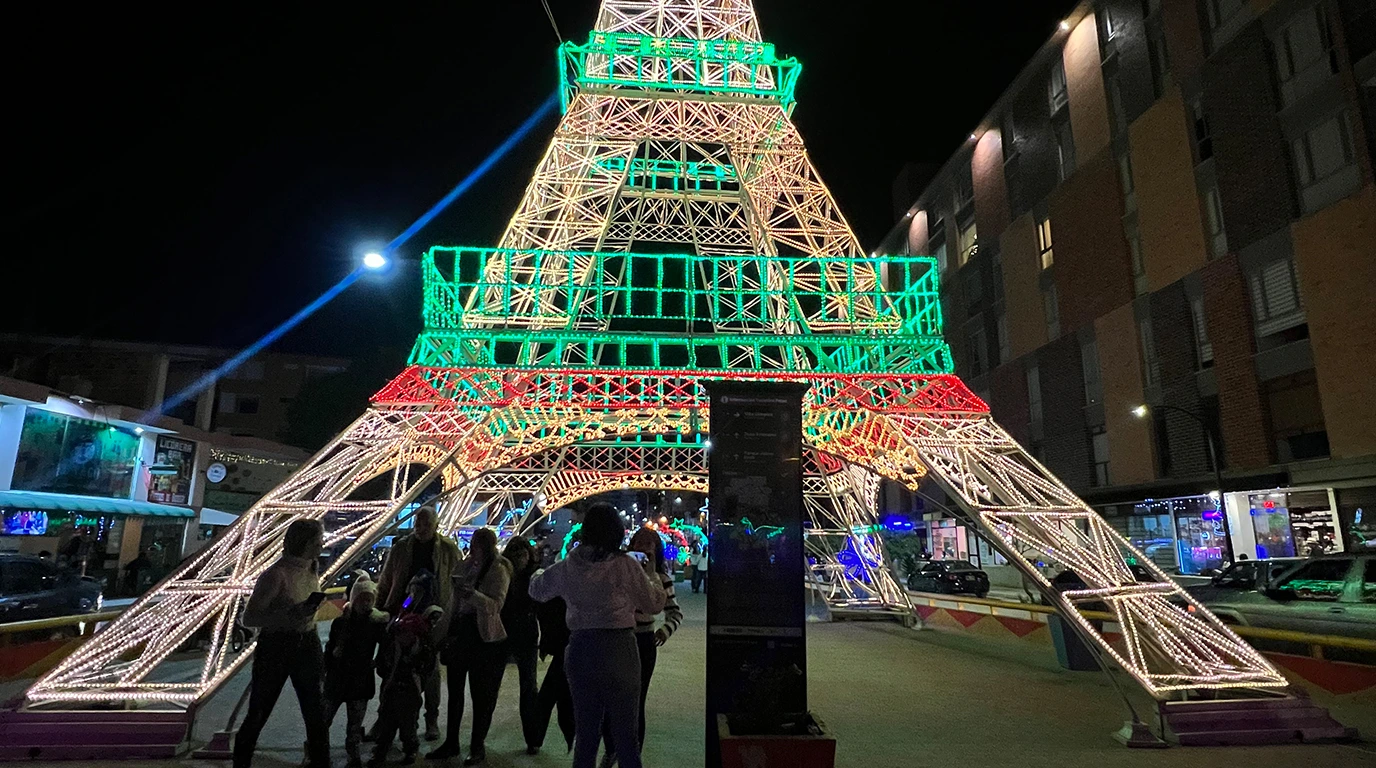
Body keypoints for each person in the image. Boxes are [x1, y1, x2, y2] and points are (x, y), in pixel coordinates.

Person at [529, 503, 665, 768]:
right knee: (626, 736)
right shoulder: (625, 565)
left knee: (586, 734)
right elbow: (654, 604)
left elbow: (537, 590)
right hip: (620, 649)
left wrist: (538, 571)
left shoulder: (569, 565)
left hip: (581, 648)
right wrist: (652, 575)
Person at [234, 518, 330, 768]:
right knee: (259, 710)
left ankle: (322, 761)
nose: (322, 545)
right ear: (305, 543)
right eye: (318, 541)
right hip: (277, 645)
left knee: (316, 711)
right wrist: (291, 614)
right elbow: (250, 617)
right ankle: (241, 761)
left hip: (307, 641)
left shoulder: (311, 568)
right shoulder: (276, 575)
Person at [376, 504, 461, 740]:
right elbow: (386, 580)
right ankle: (385, 719)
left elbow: (457, 582)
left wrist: (452, 617)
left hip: (433, 617)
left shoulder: (448, 549)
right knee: (393, 668)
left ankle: (430, 719)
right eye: (418, 524)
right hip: (403, 611)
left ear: (436, 526)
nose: (421, 528)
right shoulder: (401, 548)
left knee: (429, 670)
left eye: (426, 524)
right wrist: (382, 608)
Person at [600, 528, 683, 767]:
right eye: (639, 542)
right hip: (618, 639)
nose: (644, 547)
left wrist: (665, 630)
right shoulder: (620, 573)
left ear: (656, 549)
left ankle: (632, 757)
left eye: (649, 544)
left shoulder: (661, 578)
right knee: (609, 700)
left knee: (636, 703)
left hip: (644, 642)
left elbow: (675, 612)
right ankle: (611, 749)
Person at [429, 528, 511, 765]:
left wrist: (473, 595)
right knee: (455, 692)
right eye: (473, 544)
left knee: (480, 694)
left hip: (482, 637)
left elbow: (496, 605)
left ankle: (477, 746)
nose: (474, 548)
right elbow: (452, 602)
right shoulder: (464, 566)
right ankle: (451, 742)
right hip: (460, 632)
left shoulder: (498, 569)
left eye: (478, 544)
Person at [372, 572, 444, 767]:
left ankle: (419, 733)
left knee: (410, 710)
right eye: (412, 588)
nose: (413, 592)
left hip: (415, 666)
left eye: (417, 589)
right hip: (397, 662)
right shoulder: (406, 605)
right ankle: (383, 743)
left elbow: (431, 636)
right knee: (389, 704)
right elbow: (394, 623)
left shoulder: (430, 611)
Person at [324, 572, 389, 768]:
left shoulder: (375, 623)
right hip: (338, 678)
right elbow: (330, 648)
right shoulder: (341, 623)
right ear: (354, 599)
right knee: (324, 718)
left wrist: (378, 661)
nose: (366, 603)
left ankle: (353, 755)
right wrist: (327, 666)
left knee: (354, 723)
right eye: (363, 599)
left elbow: (385, 646)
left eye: (370, 599)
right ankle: (319, 751)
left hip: (360, 680)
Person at [499, 537, 542, 755]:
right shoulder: (501, 574)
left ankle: (533, 738)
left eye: (522, 553)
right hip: (505, 633)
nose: (519, 558)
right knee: (492, 685)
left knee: (529, 687)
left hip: (525, 634)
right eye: (515, 553)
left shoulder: (535, 577)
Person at [533, 596, 575, 753]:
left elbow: (550, 614)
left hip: (567, 643)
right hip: (565, 643)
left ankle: (537, 739)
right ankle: (537, 739)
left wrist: (546, 644)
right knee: (559, 696)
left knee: (551, 696)